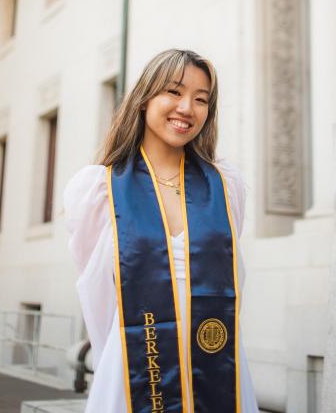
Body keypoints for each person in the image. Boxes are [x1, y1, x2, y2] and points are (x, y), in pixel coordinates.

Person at [64, 49, 259, 412]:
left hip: (218, 363)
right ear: (144, 98)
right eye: (174, 91)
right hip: (136, 365)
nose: (187, 108)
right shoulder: (100, 190)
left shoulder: (224, 187)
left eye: (201, 100)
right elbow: (96, 289)